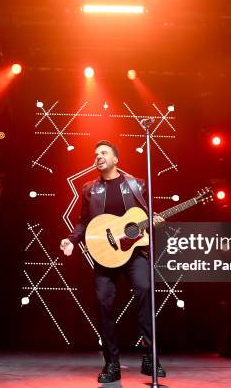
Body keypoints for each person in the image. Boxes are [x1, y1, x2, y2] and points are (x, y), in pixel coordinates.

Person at [60, 140, 167, 383]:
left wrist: (155, 221)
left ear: (116, 159)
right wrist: (72, 240)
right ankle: (112, 364)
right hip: (104, 254)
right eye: (96, 153)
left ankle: (150, 357)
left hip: (134, 253)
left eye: (104, 153)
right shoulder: (89, 188)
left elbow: (147, 216)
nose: (98, 156)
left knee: (145, 290)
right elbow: (83, 221)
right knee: (103, 305)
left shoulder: (137, 184)